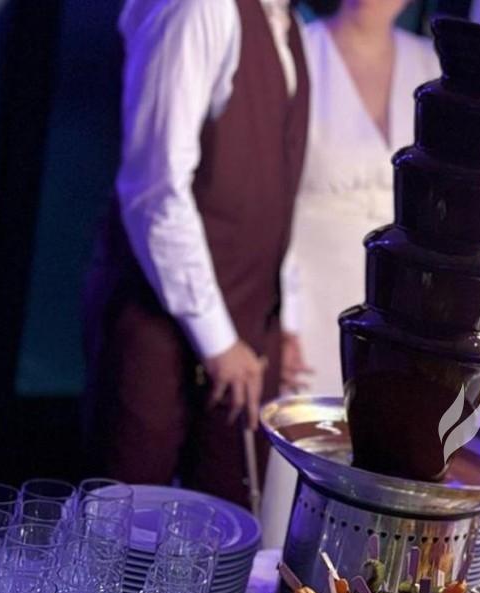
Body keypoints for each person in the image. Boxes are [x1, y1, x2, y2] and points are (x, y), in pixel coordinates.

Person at [83, 0, 310, 508]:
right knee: (125, 525)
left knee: (226, 533)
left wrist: (282, 317)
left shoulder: (289, 24)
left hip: (247, 325)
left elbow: (273, 189)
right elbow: (154, 190)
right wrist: (217, 339)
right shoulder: (197, 8)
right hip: (155, 318)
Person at [258, 0, 439, 545]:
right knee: (300, 454)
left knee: (379, 464)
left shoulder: (430, 65)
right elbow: (270, 201)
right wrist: (280, 316)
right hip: (308, 296)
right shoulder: (300, 51)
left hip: (398, 310)